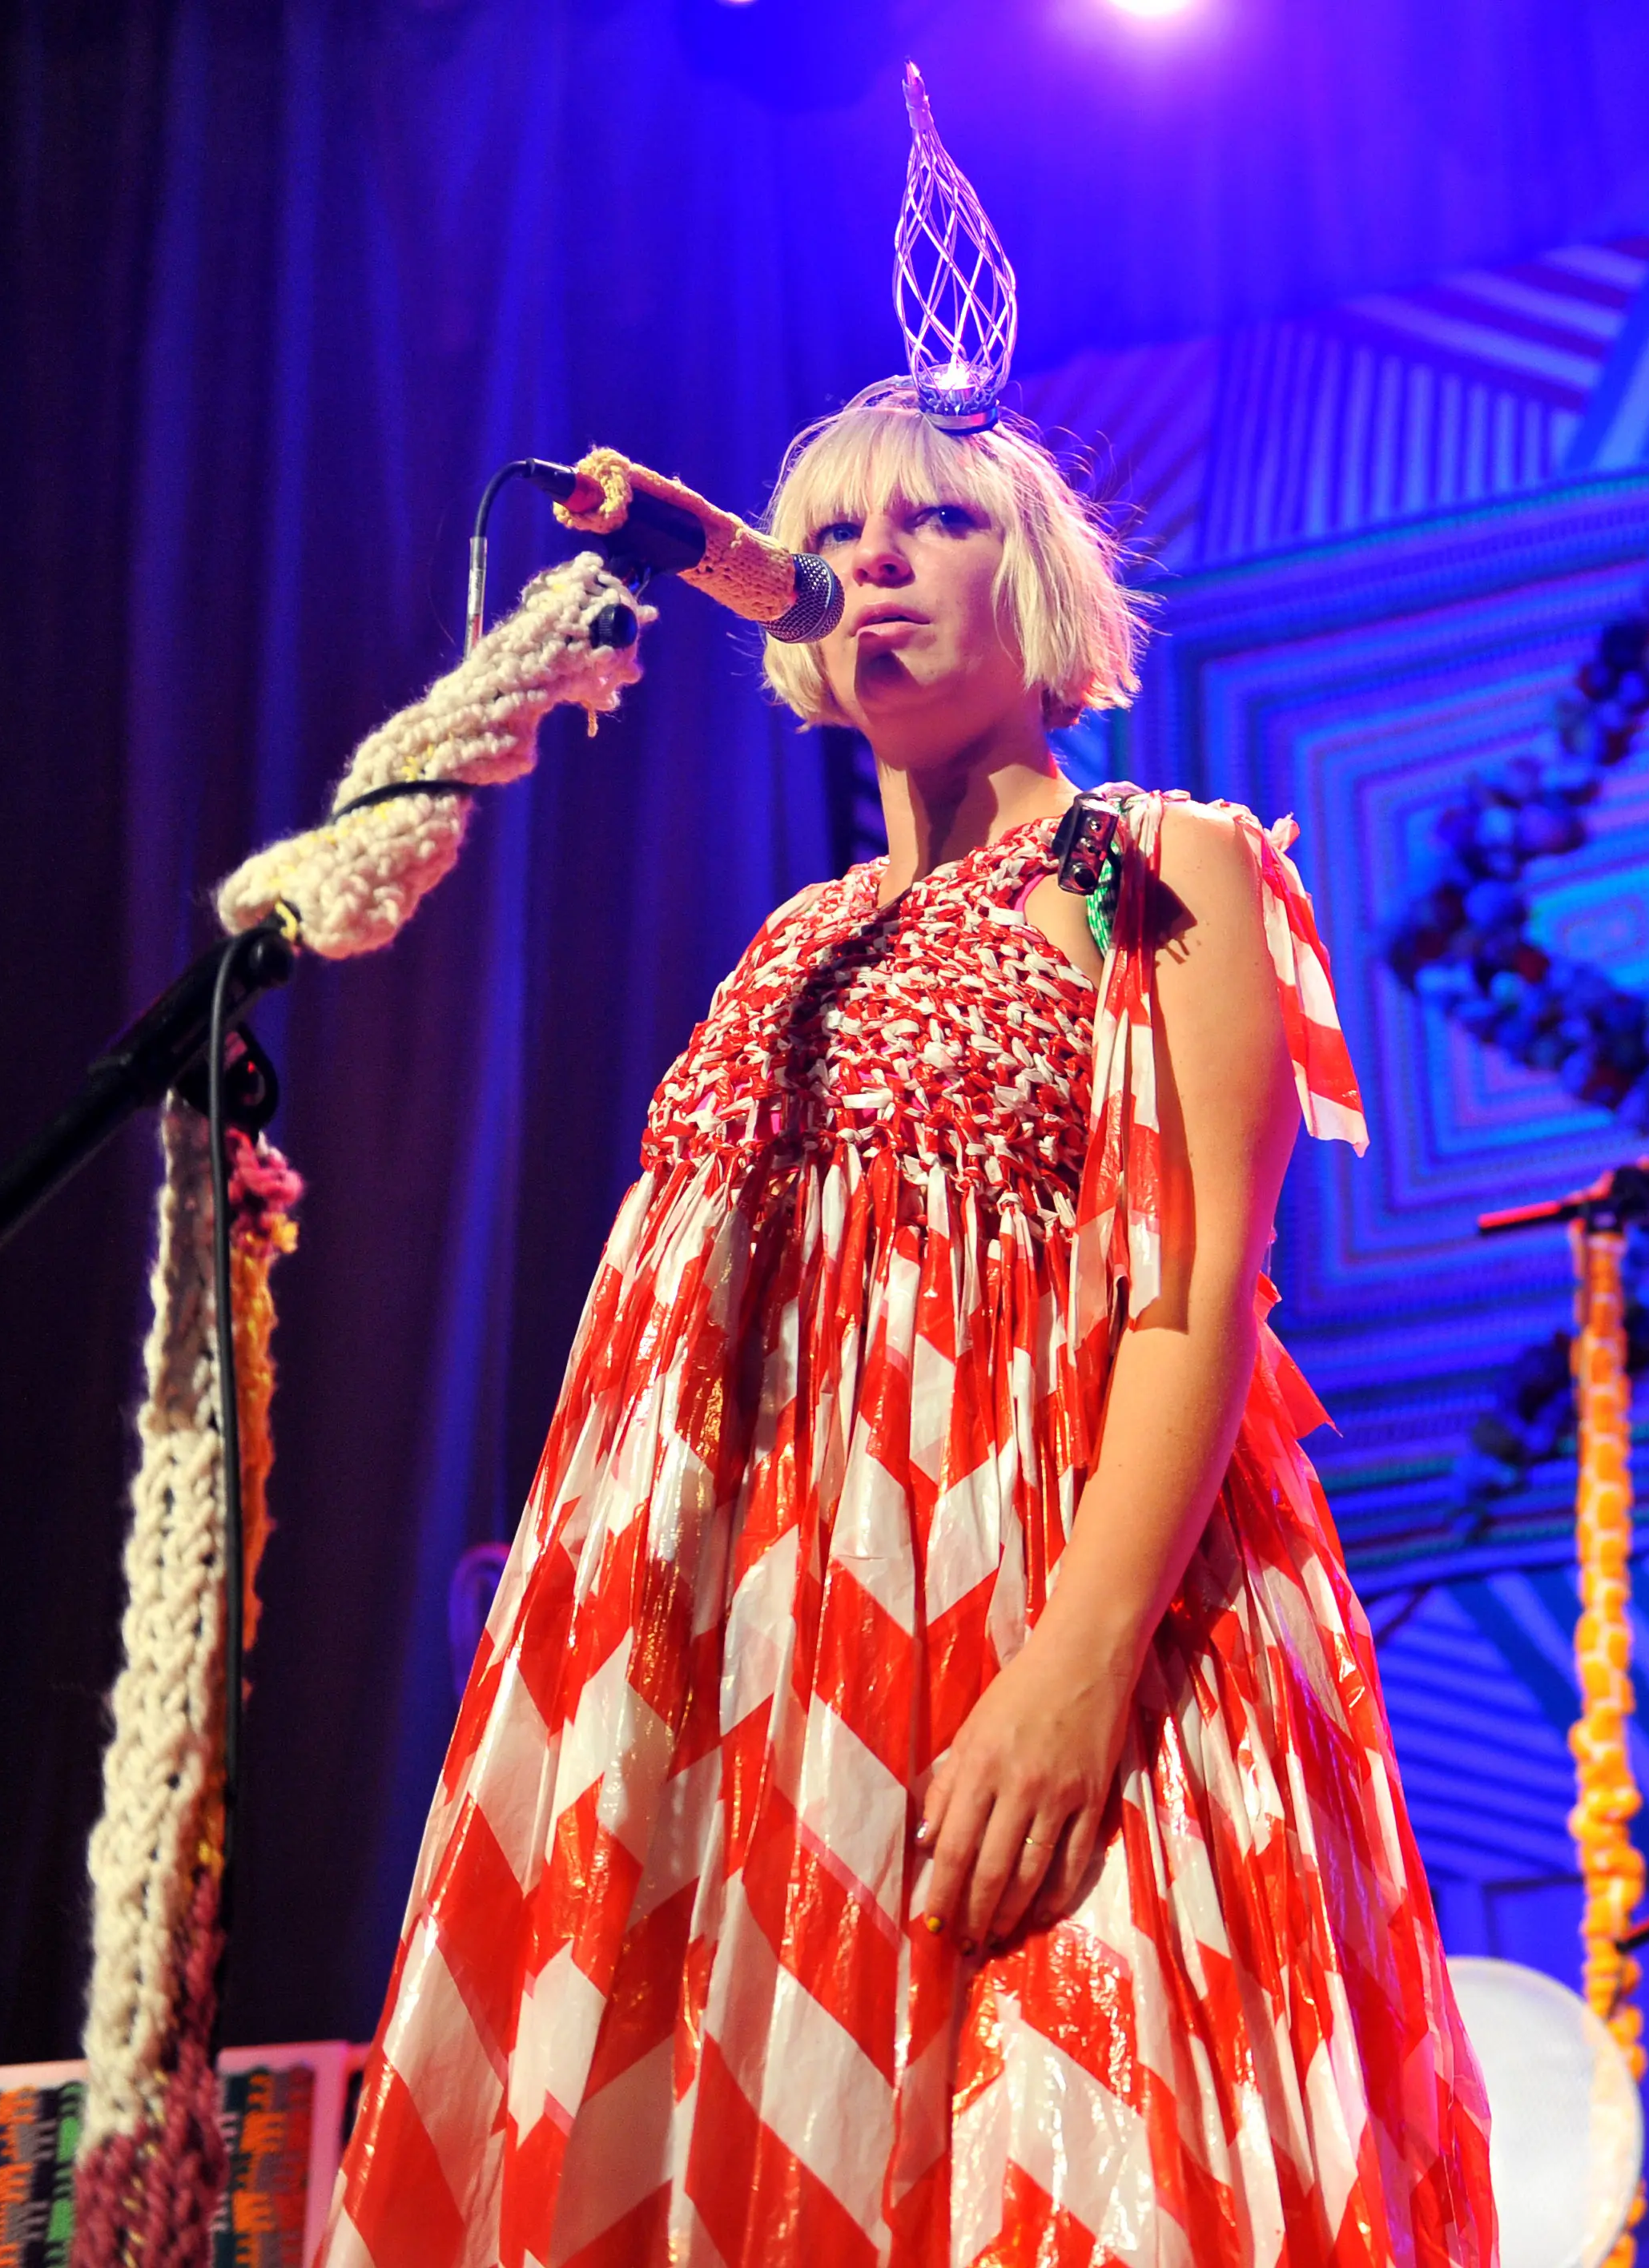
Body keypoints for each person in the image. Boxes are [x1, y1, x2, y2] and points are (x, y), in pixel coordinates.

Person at [327, 379, 1496, 2268]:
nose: (873, 563)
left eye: (935, 522)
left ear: (1035, 582)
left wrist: (1076, 1671)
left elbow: (1195, 1291)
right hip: (747, 1677)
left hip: (1050, 1620)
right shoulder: (789, 945)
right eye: (835, 534)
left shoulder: (1152, 862)